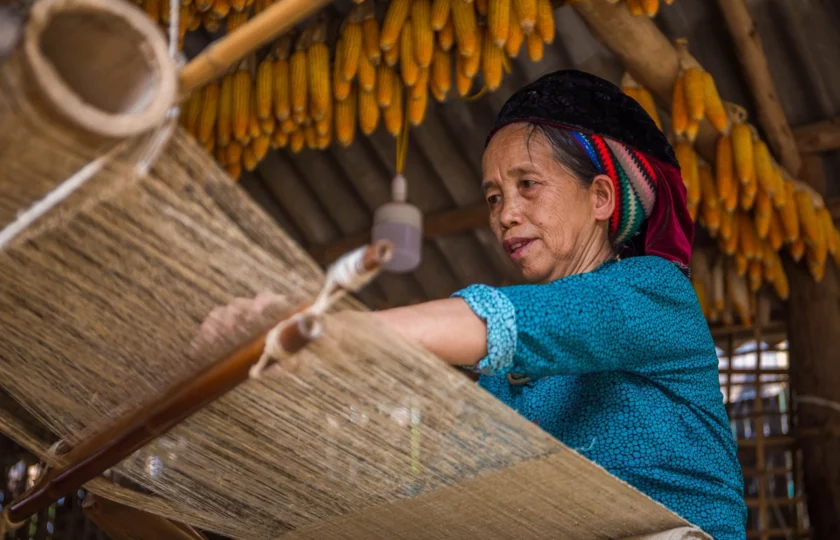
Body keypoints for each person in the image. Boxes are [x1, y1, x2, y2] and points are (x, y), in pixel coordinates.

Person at [205, 70, 747, 539]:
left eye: (527, 185)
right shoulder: (503, 376)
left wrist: (322, 330)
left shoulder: (653, 292)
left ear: (601, 197)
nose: (505, 214)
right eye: (493, 197)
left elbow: (520, 322)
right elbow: (465, 491)